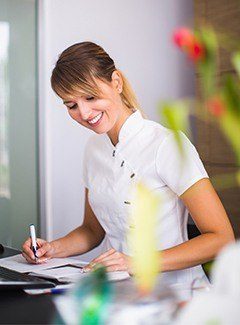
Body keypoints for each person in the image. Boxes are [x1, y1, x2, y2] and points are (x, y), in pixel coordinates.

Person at [22, 41, 234, 286]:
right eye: (71, 105)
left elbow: (220, 237)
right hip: (122, 295)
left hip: (177, 294)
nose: (84, 113)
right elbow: (92, 230)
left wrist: (136, 262)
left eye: (90, 97)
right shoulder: (94, 150)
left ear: (116, 83)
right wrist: (53, 248)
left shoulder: (166, 144)